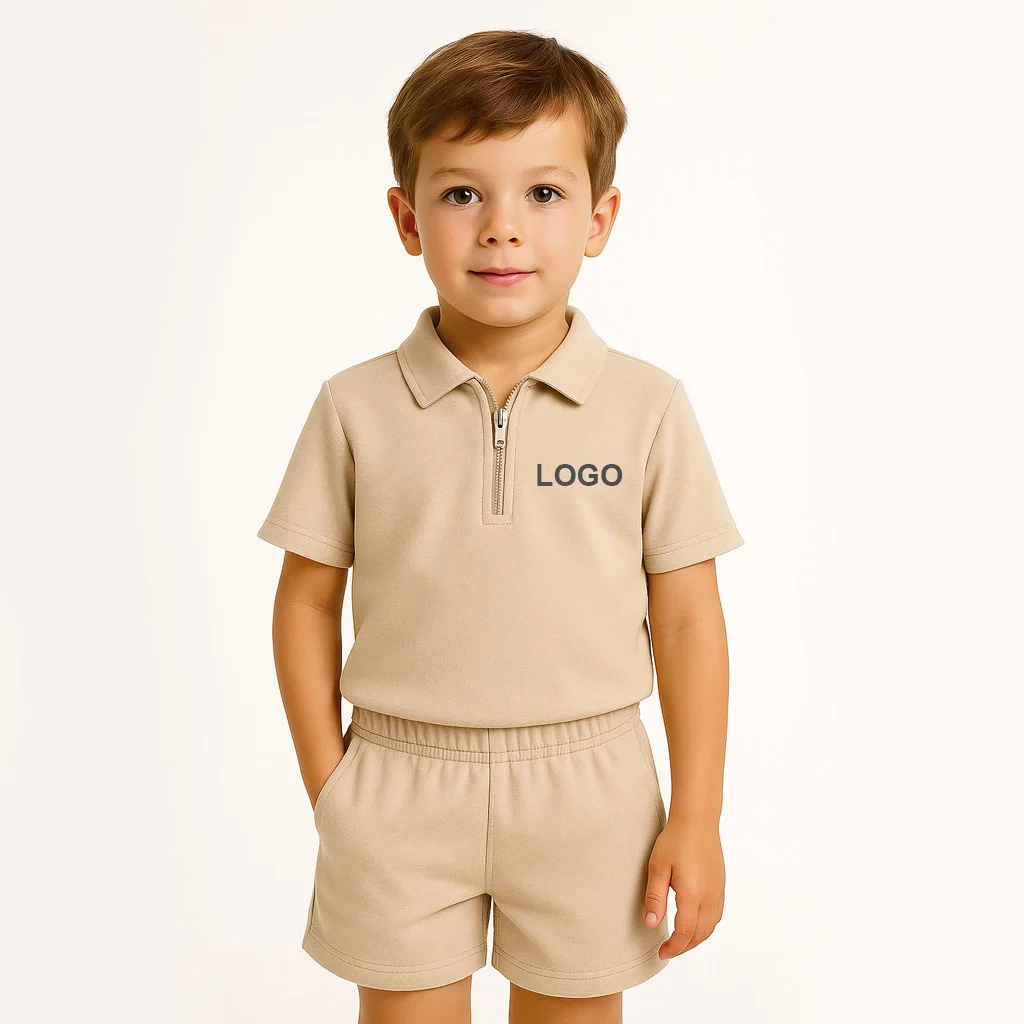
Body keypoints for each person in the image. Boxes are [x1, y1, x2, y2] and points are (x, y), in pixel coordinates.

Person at [257, 28, 745, 1024]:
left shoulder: (648, 407)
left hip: (590, 787)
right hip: (397, 782)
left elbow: (690, 617)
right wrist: (330, 785)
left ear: (600, 219)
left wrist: (696, 816)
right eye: (461, 194)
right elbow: (306, 600)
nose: (502, 229)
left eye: (544, 193)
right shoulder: (353, 407)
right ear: (408, 218)